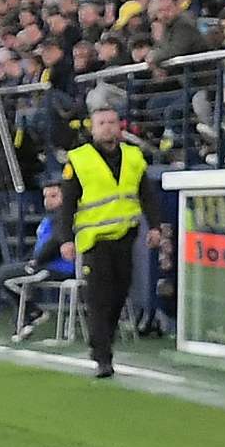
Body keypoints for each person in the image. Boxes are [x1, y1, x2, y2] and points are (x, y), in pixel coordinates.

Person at [63, 92, 155, 378]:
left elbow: (147, 195)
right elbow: (68, 202)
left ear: (120, 126)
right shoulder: (79, 160)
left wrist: (156, 226)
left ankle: (103, 343)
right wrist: (65, 238)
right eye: (102, 122)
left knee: (119, 294)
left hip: (126, 237)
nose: (108, 127)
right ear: (93, 127)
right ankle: (102, 356)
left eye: (112, 122)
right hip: (95, 241)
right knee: (99, 298)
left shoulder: (134, 156)